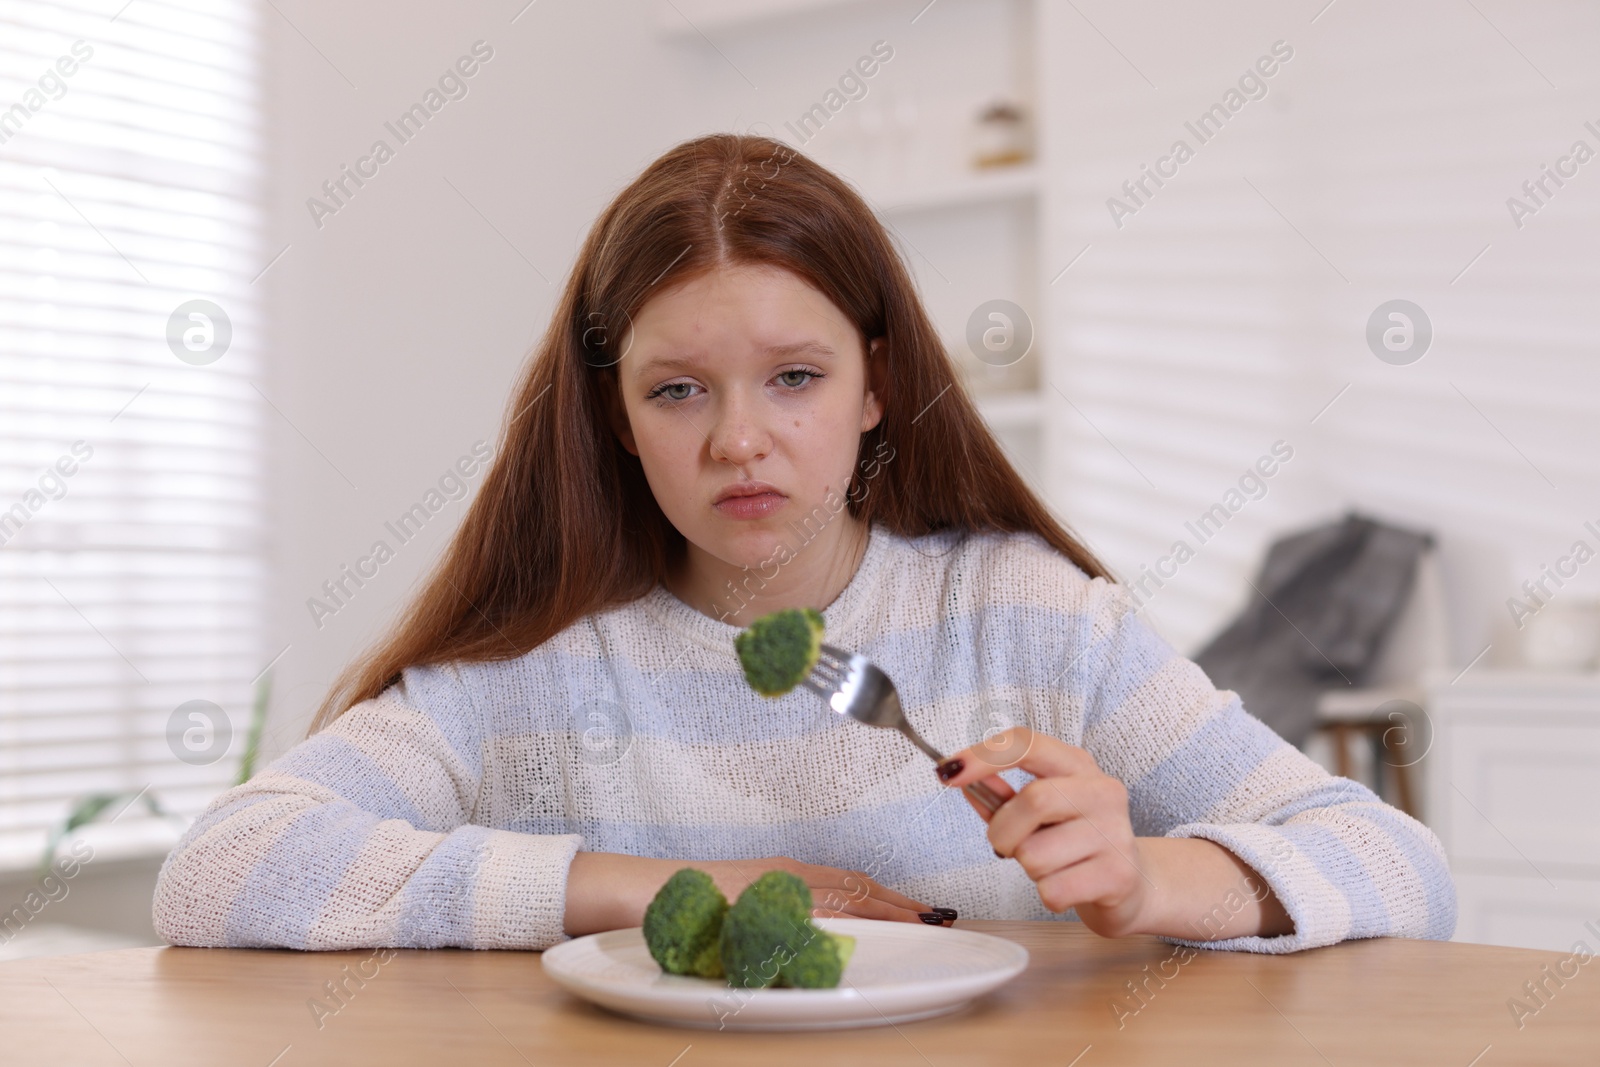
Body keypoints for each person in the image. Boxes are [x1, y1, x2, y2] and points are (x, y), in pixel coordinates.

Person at [152, 133, 1455, 955]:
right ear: (614, 414)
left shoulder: (1028, 618)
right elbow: (222, 873)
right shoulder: (541, 668)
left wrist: (1151, 883)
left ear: (874, 385)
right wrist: (677, 887)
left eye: (794, 377)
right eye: (677, 391)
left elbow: (1401, 865)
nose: (739, 442)